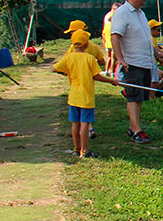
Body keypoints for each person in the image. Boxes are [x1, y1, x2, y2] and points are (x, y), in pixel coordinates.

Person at [51, 29, 123, 158]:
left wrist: (66, 72)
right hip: (86, 97)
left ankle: (76, 148)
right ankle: (84, 151)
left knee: (75, 122)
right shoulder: (89, 59)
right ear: (86, 45)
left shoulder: (69, 57)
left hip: (73, 96)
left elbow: (54, 68)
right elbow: (96, 76)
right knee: (84, 123)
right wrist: (112, 81)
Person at [110, 0, 156, 143]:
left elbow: (146, 37)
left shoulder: (141, 13)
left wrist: (157, 53)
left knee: (139, 98)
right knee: (133, 97)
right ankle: (137, 130)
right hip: (133, 63)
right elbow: (115, 36)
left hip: (145, 62)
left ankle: (133, 127)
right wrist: (121, 59)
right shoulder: (122, 13)